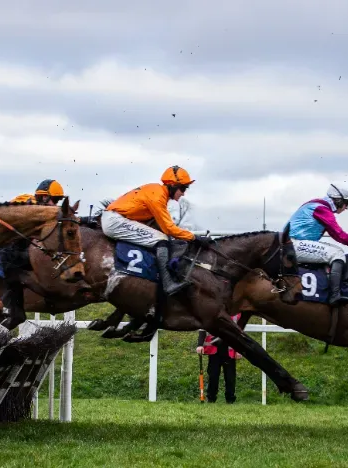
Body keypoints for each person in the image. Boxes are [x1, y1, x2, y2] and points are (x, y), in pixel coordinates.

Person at [101, 166, 213, 295]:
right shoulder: (157, 196)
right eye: (183, 188)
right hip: (115, 221)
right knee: (161, 240)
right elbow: (169, 228)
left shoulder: (157, 192)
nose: (183, 193)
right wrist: (194, 238)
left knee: (162, 236)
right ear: (172, 185)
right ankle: (168, 284)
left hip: (117, 218)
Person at [286, 184, 348, 305]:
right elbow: (339, 235)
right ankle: (335, 295)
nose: (347, 208)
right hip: (295, 245)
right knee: (337, 253)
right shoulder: (322, 209)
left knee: (335, 251)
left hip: (293, 243)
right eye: (347, 203)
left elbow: (336, 234)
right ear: (338, 200)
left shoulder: (318, 206)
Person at [0, 179, 68, 317]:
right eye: (55, 200)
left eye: (57, 201)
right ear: (44, 197)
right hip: (4, 240)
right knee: (10, 251)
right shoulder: (29, 203)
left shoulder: (39, 206)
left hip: (17, 241)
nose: (55, 204)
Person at [196, 313, 242, 403]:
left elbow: (239, 333)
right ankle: (211, 399)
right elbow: (203, 329)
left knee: (230, 378)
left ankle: (230, 400)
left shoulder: (237, 315)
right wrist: (200, 345)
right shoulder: (211, 311)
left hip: (229, 351)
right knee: (213, 376)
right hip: (214, 350)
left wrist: (239, 350)